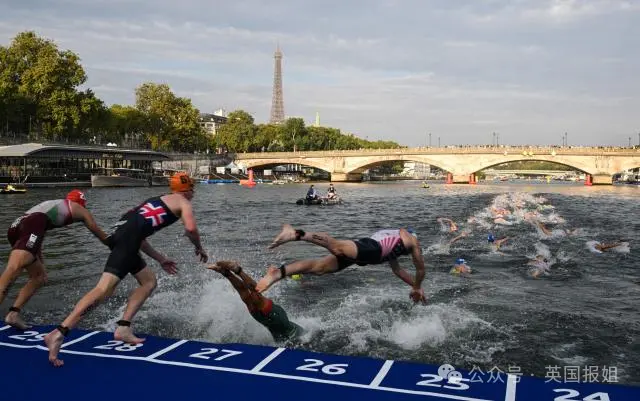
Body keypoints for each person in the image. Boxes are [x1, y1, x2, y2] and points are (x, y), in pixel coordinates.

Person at [44, 173, 209, 367]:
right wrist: (199, 247)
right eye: (193, 190)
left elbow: (137, 234)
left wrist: (161, 259)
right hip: (127, 242)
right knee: (102, 290)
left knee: (148, 282)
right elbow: (191, 229)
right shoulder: (183, 202)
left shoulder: (156, 200)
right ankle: (59, 332)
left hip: (120, 236)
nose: (193, 194)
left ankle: (123, 328)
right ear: (188, 190)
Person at [0, 190, 110, 330]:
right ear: (82, 203)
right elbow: (95, 229)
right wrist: (113, 243)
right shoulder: (79, 208)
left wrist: (39, 259)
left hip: (16, 226)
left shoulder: (53, 205)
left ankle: (13, 314)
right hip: (31, 224)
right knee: (13, 269)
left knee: (39, 277)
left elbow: (37, 233)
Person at [256, 224, 427, 304]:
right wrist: (418, 286)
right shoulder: (410, 239)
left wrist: (415, 287)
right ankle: (295, 234)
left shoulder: (395, 246)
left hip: (369, 254)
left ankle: (278, 273)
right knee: (337, 247)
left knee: (320, 268)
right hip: (372, 249)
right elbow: (420, 269)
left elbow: (398, 270)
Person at [207, 260, 303, 342]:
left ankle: (225, 272)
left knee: (246, 296)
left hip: (267, 320)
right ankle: (237, 270)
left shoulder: (298, 334)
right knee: (255, 294)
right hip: (276, 318)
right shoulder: (302, 336)